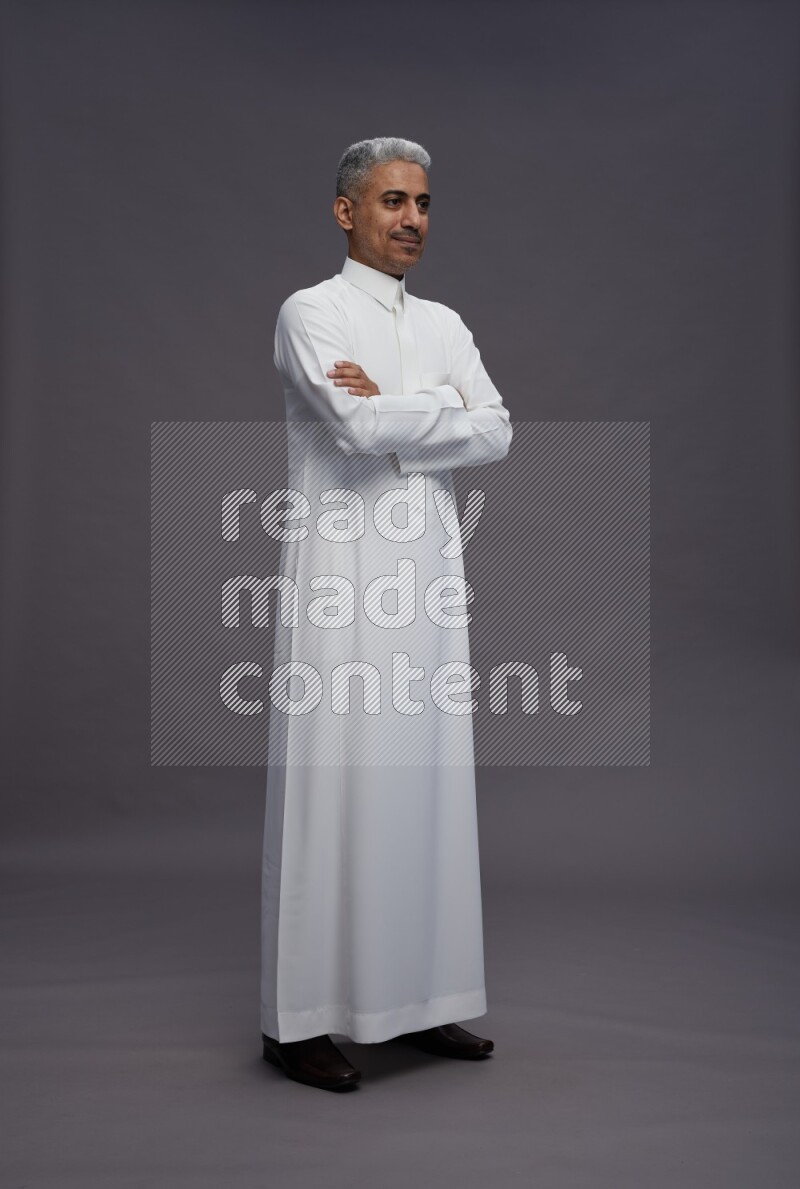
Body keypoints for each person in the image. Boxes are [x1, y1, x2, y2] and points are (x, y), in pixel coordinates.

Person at [260, 136, 513, 1091]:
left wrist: (407, 404)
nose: (412, 219)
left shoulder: (444, 321)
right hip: (340, 572)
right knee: (333, 783)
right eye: (393, 201)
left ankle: (421, 998)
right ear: (346, 212)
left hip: (428, 574)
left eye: (423, 203)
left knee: (428, 782)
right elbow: (354, 426)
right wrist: (438, 409)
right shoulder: (310, 312)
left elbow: (499, 429)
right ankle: (299, 1021)